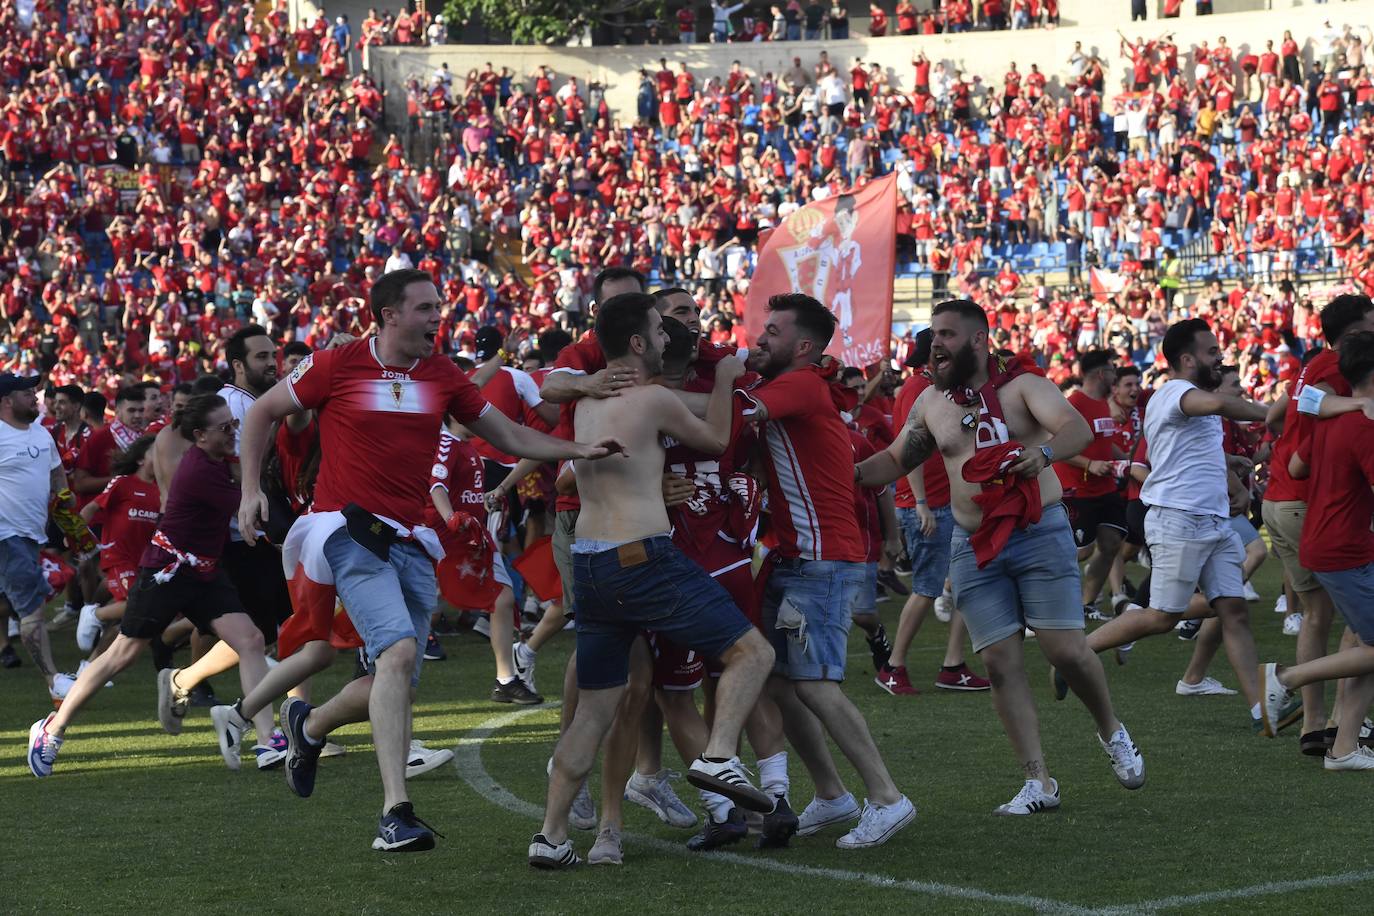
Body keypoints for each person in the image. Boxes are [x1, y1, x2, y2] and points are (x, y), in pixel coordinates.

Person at [237, 268, 621, 852]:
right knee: (397, 651)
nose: (437, 316)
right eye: (425, 308)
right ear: (389, 314)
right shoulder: (335, 365)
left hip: (412, 537)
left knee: (394, 679)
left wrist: (578, 449)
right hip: (345, 528)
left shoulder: (441, 375)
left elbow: (512, 436)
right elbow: (261, 412)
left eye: (438, 306)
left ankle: (308, 727)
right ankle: (396, 813)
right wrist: (249, 490)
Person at [855, 299, 1142, 815]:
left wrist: (1045, 454)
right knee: (1000, 663)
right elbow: (897, 459)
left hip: (1039, 530)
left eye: (946, 334)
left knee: (1066, 651)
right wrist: (842, 476)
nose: (935, 343)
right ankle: (1039, 782)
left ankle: (1111, 730)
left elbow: (1075, 429)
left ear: (978, 341)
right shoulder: (930, 402)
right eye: (933, 334)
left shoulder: (1023, 386)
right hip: (970, 543)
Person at [529, 293, 775, 868]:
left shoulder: (588, 400)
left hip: (590, 563)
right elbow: (716, 440)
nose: (670, 340)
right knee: (753, 654)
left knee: (595, 709)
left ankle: (552, 835)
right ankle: (717, 756)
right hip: (639, 557)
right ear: (638, 343)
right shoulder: (652, 396)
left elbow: (557, 403)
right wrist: (729, 379)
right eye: (660, 332)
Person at [27, 395, 277, 777]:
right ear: (200, 435)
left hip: (205, 572)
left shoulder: (213, 457)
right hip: (168, 571)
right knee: (121, 655)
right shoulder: (202, 473)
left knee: (251, 640)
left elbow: (245, 470)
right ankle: (51, 729)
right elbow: (255, 502)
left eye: (234, 424)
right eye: (225, 428)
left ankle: (266, 739)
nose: (234, 431)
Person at [745, 294, 917, 847]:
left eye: (772, 330)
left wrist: (722, 370)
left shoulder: (797, 384)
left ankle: (887, 798)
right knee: (777, 682)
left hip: (821, 559)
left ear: (802, 347)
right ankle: (831, 795)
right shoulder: (797, 383)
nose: (760, 338)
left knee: (816, 685)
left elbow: (734, 415)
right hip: (799, 556)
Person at [1068, 319, 1269, 726]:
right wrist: (1279, 413)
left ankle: (1263, 710)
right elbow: (1218, 405)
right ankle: (1074, 656)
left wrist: (1228, 464)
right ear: (1187, 359)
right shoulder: (1178, 391)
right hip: (1181, 520)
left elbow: (1187, 448)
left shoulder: (1188, 397)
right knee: (1161, 616)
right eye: (1212, 352)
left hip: (1210, 522)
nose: (1220, 357)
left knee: (1233, 610)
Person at [1261, 294, 1374, 753]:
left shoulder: (1318, 368)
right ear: (1352, 335)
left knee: (1323, 617)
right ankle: (1338, 723)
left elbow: (1283, 423)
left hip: (1289, 498)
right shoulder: (1334, 371)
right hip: (1313, 514)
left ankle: (1327, 729)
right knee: (1354, 627)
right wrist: (1357, 410)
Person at [875, 329, 990, 696]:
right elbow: (908, 452)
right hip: (929, 506)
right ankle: (892, 667)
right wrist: (921, 503)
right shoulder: (917, 390)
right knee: (926, 588)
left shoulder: (939, 389)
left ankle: (953, 665)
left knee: (966, 586)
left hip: (949, 503)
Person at [1, 373, 75, 704]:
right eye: (28, 393)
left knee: (20, 602)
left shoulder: (41, 433)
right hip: (7, 534)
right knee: (32, 609)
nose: (36, 397)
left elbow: (55, 472)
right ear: (6, 401)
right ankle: (53, 680)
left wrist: (64, 497)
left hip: (32, 535)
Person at [1056, 350, 1128, 619]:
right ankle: (1039, 597)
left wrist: (1132, 461)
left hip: (1105, 488)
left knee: (1111, 544)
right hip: (1078, 490)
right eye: (1112, 370)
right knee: (1081, 551)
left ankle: (1087, 605)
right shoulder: (1074, 403)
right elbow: (1057, 446)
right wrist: (1089, 464)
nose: (1114, 375)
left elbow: (1105, 443)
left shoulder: (1104, 404)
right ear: (1101, 373)